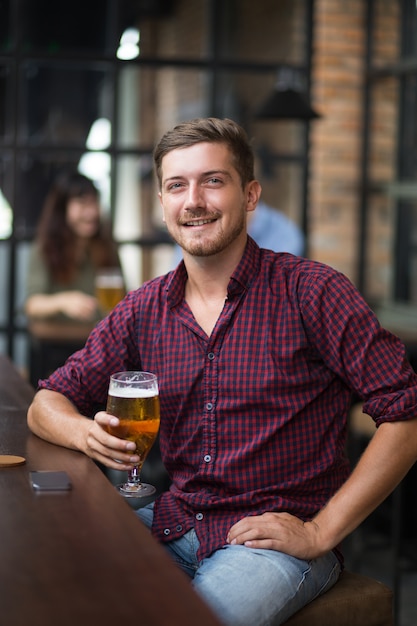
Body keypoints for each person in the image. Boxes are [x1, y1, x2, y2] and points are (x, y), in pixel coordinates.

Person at [27, 118, 417, 626]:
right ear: (162, 203)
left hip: (273, 543)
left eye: (213, 180)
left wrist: (320, 533)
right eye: (177, 185)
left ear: (250, 194)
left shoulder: (314, 291)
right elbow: (47, 402)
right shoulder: (143, 308)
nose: (194, 200)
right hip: (173, 523)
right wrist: (84, 433)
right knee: (53, 587)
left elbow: (404, 417)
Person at [25, 170, 121, 322]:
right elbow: (32, 305)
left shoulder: (107, 247)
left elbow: (123, 298)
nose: (91, 213)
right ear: (62, 209)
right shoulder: (45, 248)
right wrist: (63, 302)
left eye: (94, 203)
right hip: (56, 341)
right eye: (82, 204)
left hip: (100, 341)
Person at [171, 198, 304, 266]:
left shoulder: (285, 235)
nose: (194, 203)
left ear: (250, 195)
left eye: (215, 182)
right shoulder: (195, 229)